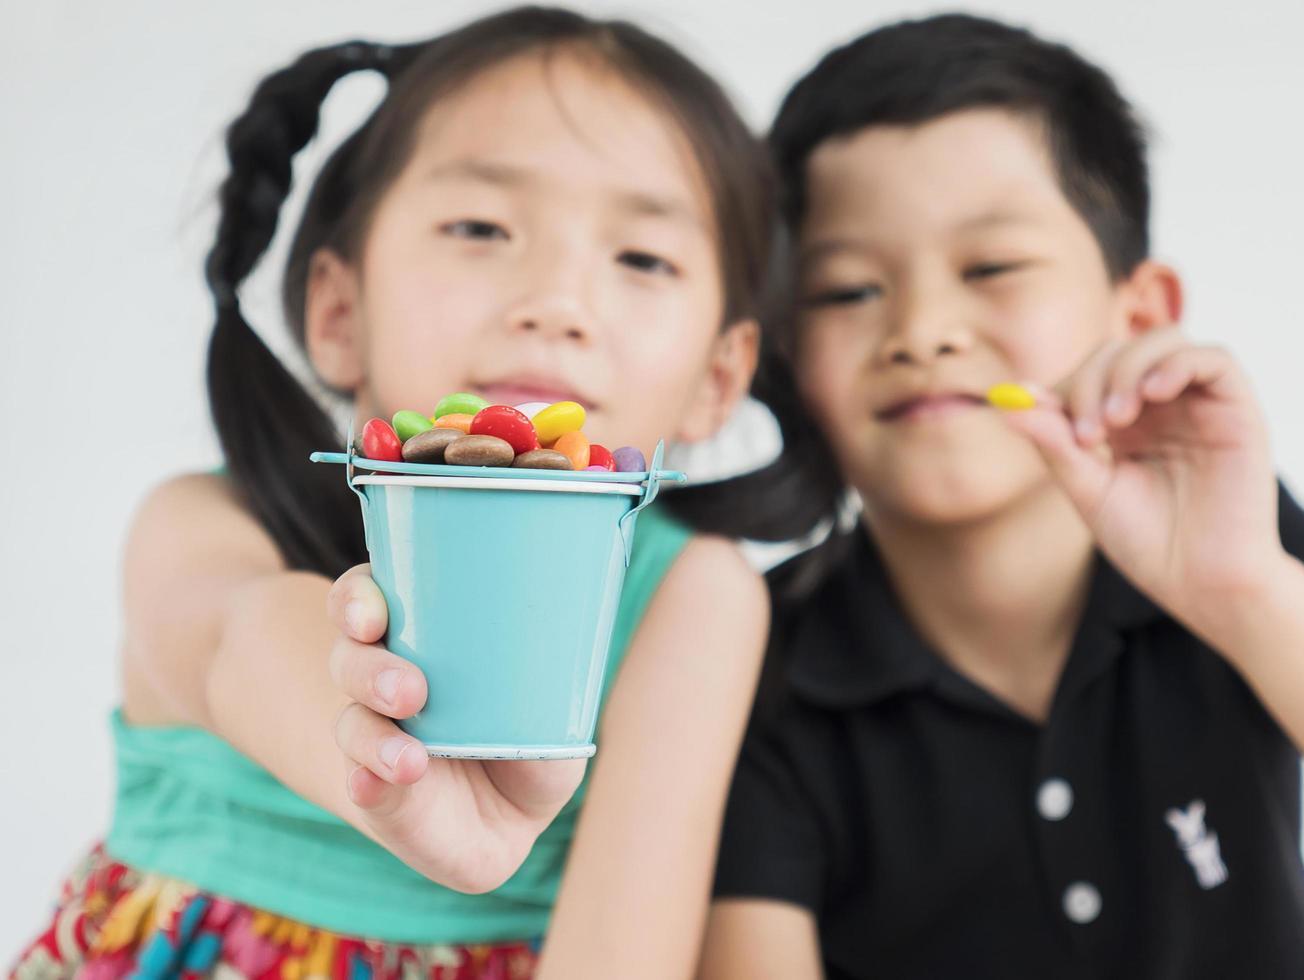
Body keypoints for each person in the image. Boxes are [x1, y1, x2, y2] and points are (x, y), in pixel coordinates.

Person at [9, 7, 829, 979]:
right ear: (337, 311)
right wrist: (392, 762)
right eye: (480, 227)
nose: (557, 303)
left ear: (718, 378)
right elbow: (240, 636)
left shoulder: (693, 594)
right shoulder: (203, 522)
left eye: (642, 258)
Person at [701, 14, 1304, 979]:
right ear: (779, 345)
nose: (923, 331)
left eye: (991, 268)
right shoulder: (746, 671)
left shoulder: (1241, 537)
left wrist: (1245, 593)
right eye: (847, 290)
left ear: (1139, 311)